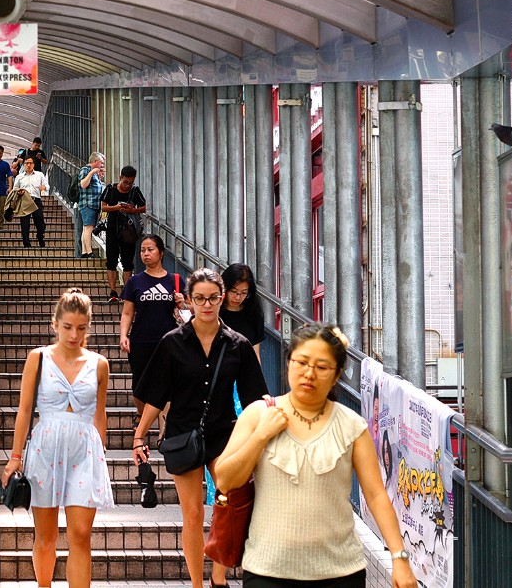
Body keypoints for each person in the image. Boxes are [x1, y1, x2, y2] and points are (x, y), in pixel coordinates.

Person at [213, 323, 417, 588]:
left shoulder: (352, 426)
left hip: (340, 573)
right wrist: (261, 435)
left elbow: (377, 495)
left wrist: (399, 559)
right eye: (301, 362)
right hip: (267, 571)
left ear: (336, 375)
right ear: (288, 364)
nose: (309, 373)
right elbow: (225, 480)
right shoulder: (258, 414)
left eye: (322, 367)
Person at [132, 268, 267, 588]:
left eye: (213, 298)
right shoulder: (172, 343)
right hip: (183, 433)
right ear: (189, 301)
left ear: (221, 299)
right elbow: (156, 395)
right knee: (191, 514)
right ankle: (196, 583)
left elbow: (255, 399)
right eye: (200, 298)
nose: (207, 305)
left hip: (224, 435)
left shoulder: (237, 345)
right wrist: (139, 435)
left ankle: (218, 579)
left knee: (227, 502)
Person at [1, 289, 113, 588]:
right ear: (55, 324)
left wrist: (100, 455)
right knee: (46, 536)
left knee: (80, 536)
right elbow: (24, 411)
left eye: (81, 328)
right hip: (45, 448)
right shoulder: (38, 358)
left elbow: (99, 413)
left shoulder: (99, 364)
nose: (74, 334)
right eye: (67, 327)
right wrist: (14, 457)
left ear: (88, 327)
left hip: (84, 451)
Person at [119, 235, 186, 424]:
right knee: (139, 385)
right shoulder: (135, 282)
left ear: (161, 253)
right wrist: (124, 335)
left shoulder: (176, 280)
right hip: (141, 340)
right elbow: (127, 313)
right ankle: (143, 416)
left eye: (150, 249)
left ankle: (165, 428)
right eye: (142, 250)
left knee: (168, 383)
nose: (146, 254)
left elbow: (190, 312)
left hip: (169, 341)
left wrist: (182, 303)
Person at [100, 166, 146, 302]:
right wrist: (117, 207)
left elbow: (145, 207)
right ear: (120, 178)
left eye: (131, 182)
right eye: (126, 182)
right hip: (112, 229)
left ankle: (126, 292)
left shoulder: (134, 191)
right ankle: (113, 291)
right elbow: (103, 206)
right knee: (111, 261)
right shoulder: (111, 189)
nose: (128, 185)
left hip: (129, 231)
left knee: (128, 262)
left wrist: (132, 210)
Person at [219, 263, 265, 360]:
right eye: (233, 291)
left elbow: (255, 354)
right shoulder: (215, 310)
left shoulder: (253, 313)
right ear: (224, 288)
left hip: (244, 372)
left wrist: (257, 374)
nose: (237, 297)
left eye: (244, 293)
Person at [12, 155, 49, 247]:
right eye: (26, 163)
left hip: (36, 200)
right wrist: (19, 192)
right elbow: (15, 189)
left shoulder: (39, 175)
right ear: (24, 165)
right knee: (25, 223)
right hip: (24, 200)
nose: (28, 165)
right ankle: (26, 243)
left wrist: (44, 187)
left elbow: (47, 186)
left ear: (34, 164)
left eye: (30, 163)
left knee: (40, 222)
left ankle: (40, 236)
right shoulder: (19, 177)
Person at [77, 152, 106, 258]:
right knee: (88, 228)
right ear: (95, 162)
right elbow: (83, 184)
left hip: (93, 204)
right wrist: (92, 172)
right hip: (88, 203)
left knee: (86, 228)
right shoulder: (86, 170)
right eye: (101, 163)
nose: (102, 166)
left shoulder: (95, 173)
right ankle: (89, 252)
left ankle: (84, 252)